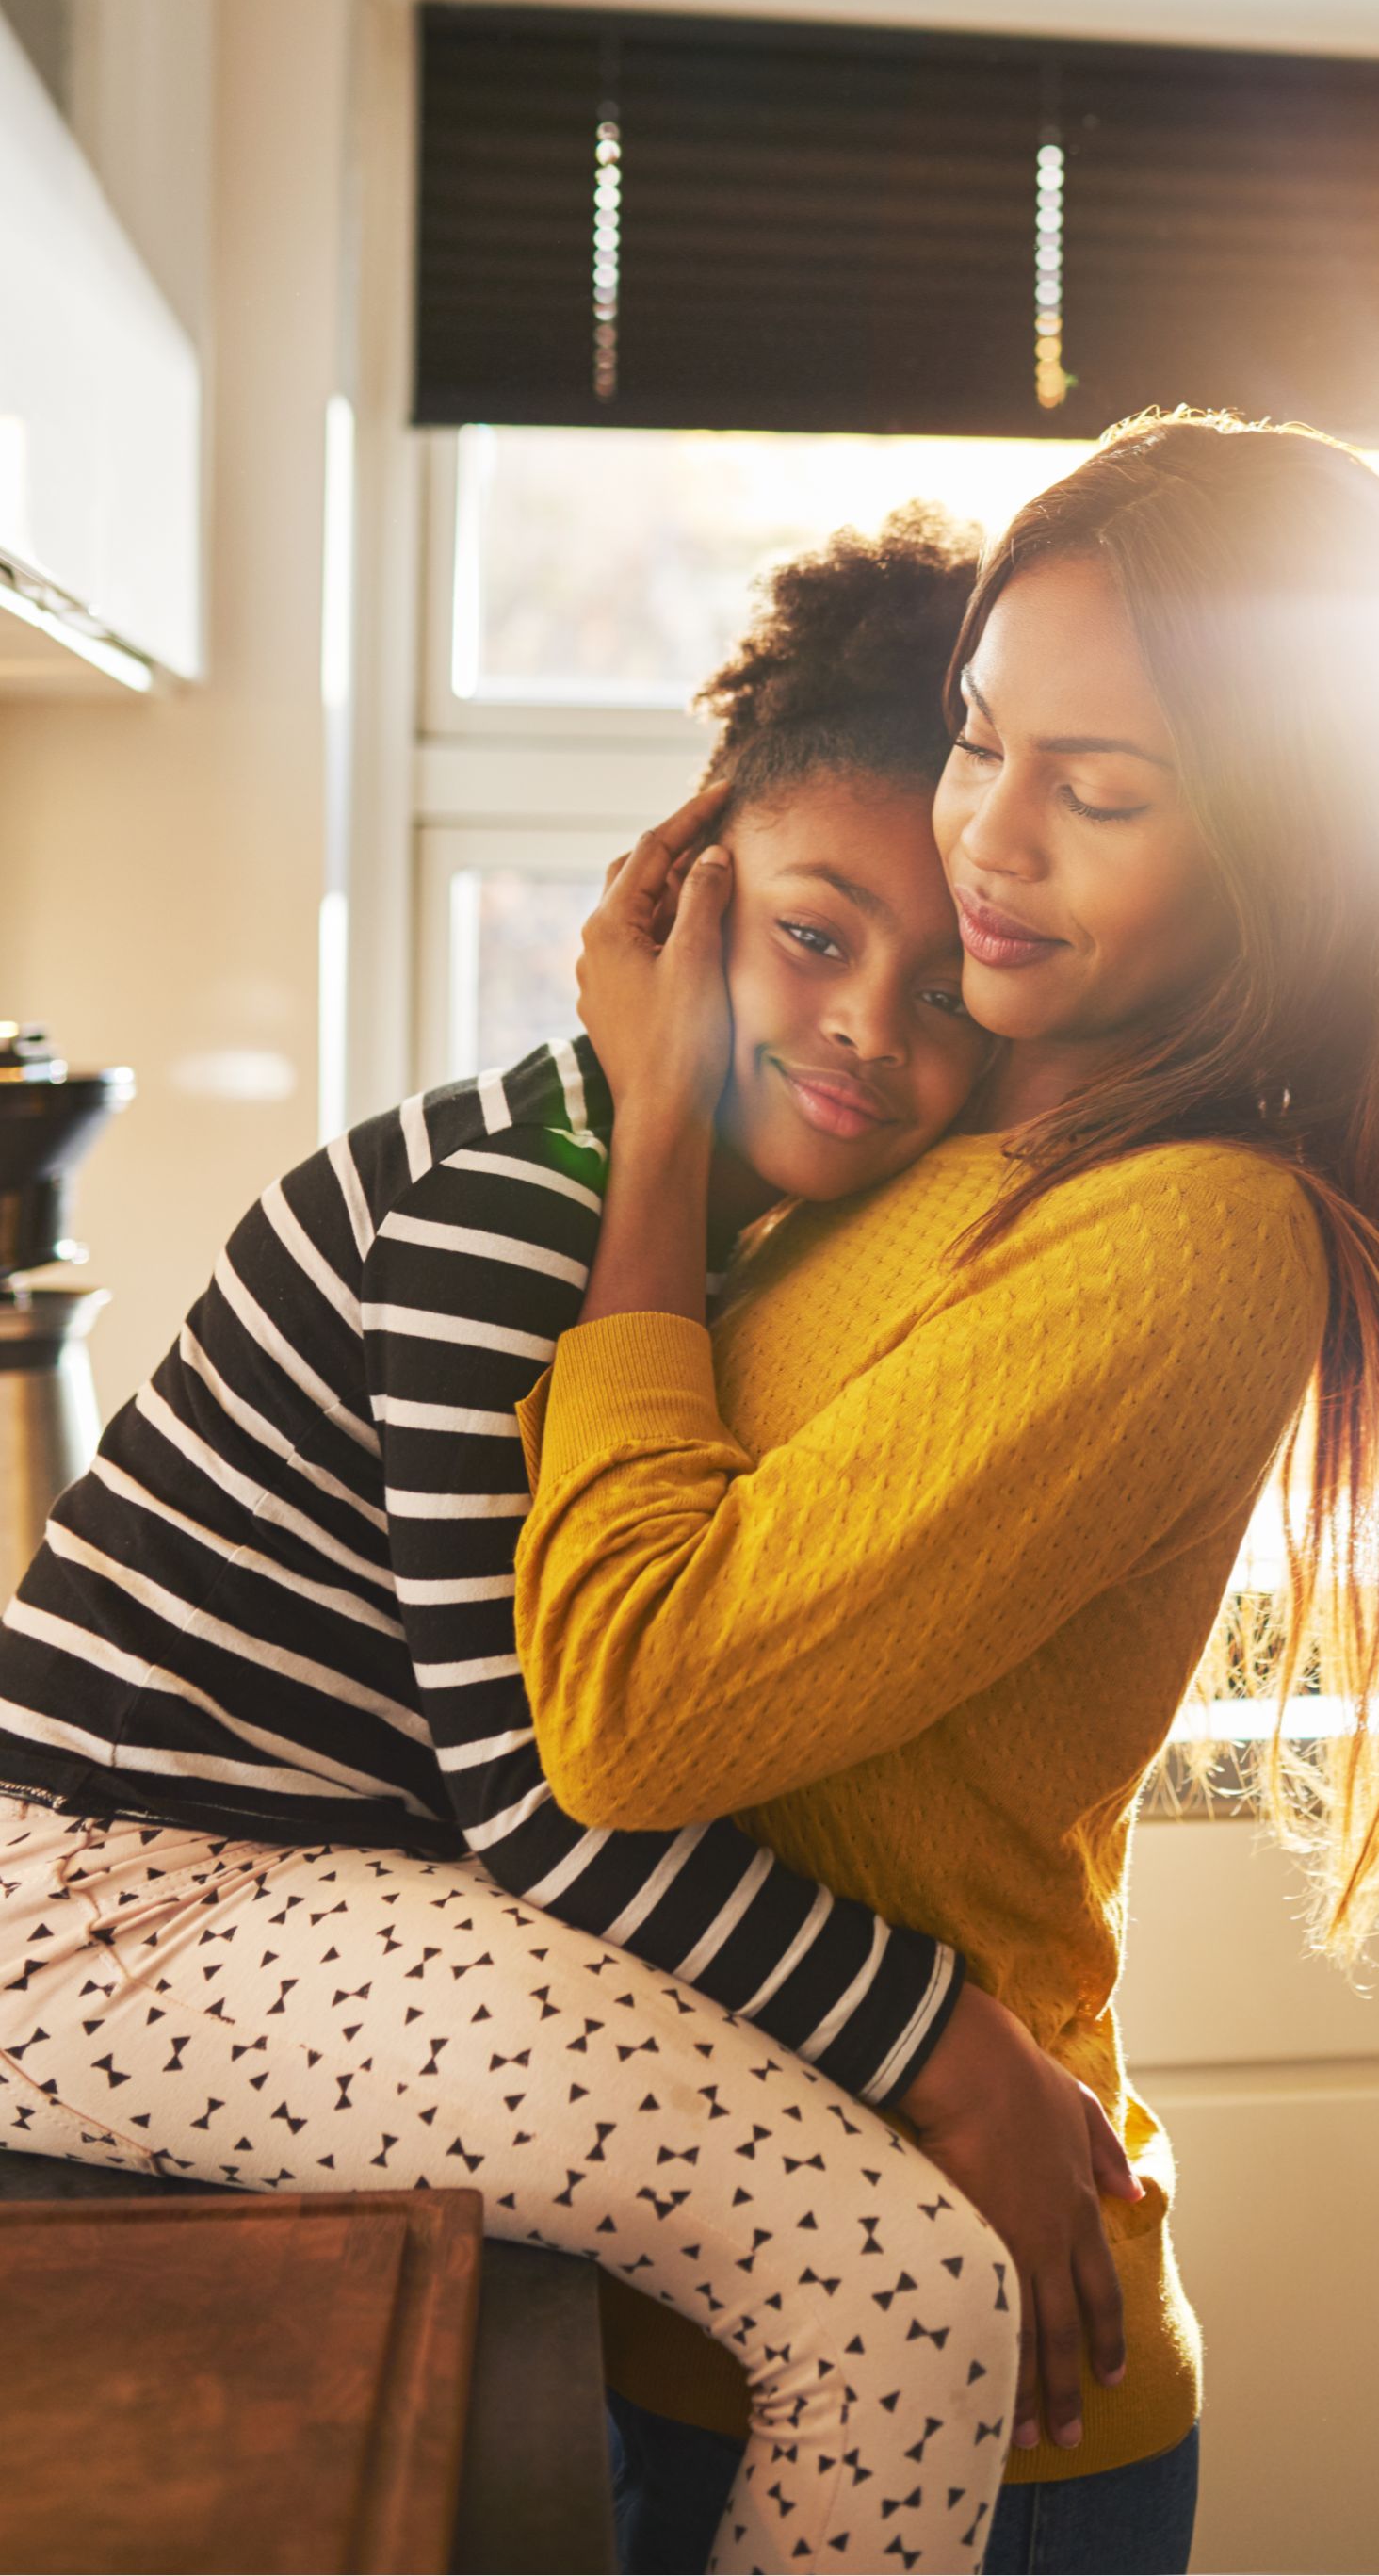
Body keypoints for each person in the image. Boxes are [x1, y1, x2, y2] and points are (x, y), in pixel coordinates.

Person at [0, 511, 1140, 2576]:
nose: (869, 1026)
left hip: (278, 1881)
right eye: (810, 930)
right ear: (690, 875)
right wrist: (945, 2046)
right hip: (111, 1914)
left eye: (941, 984)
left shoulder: (705, 1212)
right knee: (909, 2288)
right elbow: (547, 1800)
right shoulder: (504, 1214)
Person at [517, 411, 1379, 2576]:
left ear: (1291, 852)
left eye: (1097, 793)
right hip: (697, 2311)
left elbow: (631, 1704)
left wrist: (645, 1135)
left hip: (954, 2401)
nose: (991, 842)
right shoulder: (967, 1105)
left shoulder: (1194, 1233)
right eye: (980, 740)